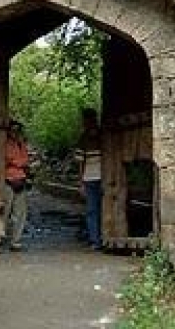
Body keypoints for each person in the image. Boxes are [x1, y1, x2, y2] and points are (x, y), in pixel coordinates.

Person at [78, 107, 103, 250]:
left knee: (96, 210)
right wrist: (81, 182)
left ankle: (99, 238)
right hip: (89, 179)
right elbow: (80, 161)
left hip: (102, 178)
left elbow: (80, 163)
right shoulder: (84, 138)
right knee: (92, 210)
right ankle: (95, 239)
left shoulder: (103, 136)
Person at [3, 119, 30, 251]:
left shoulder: (21, 144)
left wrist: (15, 162)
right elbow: (6, 158)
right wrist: (18, 162)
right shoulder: (4, 143)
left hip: (21, 180)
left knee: (20, 213)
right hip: (7, 180)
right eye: (13, 130)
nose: (16, 132)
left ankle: (16, 241)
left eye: (18, 130)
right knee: (5, 212)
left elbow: (25, 161)